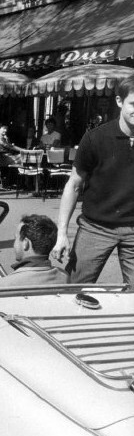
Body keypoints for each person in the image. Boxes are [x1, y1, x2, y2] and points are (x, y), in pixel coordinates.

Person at [51, 74, 134, 286]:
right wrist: (62, 234)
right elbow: (74, 185)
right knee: (75, 288)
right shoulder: (96, 138)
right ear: (119, 102)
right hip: (96, 227)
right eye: (133, 104)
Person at [0, 215, 69, 287]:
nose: (14, 244)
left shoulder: (1, 286)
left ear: (25, 243)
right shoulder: (64, 278)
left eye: (16, 239)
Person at [0, 124, 21, 189]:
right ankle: (24, 182)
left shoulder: (3, 137)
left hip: (5, 158)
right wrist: (23, 150)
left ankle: (11, 182)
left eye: (6, 129)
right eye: (4, 128)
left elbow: (8, 146)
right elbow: (9, 146)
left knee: (22, 158)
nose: (5, 130)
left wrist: (7, 140)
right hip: (2, 159)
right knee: (23, 157)